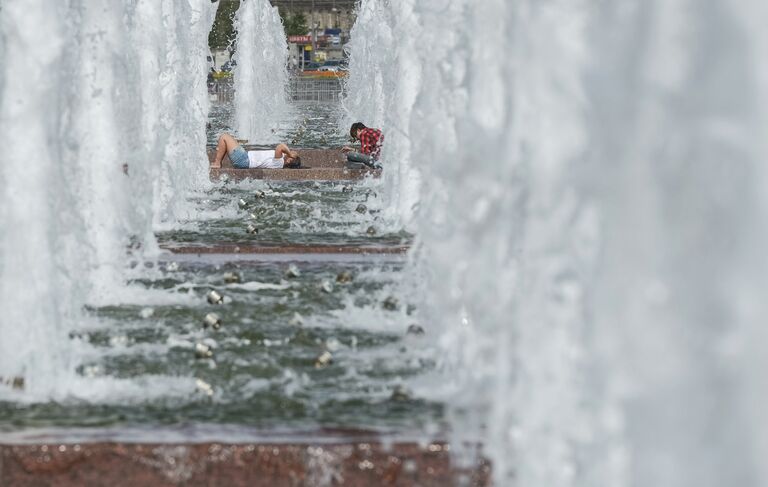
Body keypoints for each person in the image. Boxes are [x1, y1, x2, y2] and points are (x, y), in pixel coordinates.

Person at [212, 133, 302, 169]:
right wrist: (289, 154)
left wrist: (289, 153)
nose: (292, 151)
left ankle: (217, 163)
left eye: (293, 153)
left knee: (224, 137)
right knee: (230, 140)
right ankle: (219, 155)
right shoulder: (280, 160)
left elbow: (280, 146)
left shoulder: (279, 162)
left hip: (244, 160)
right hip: (244, 159)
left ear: (289, 160)